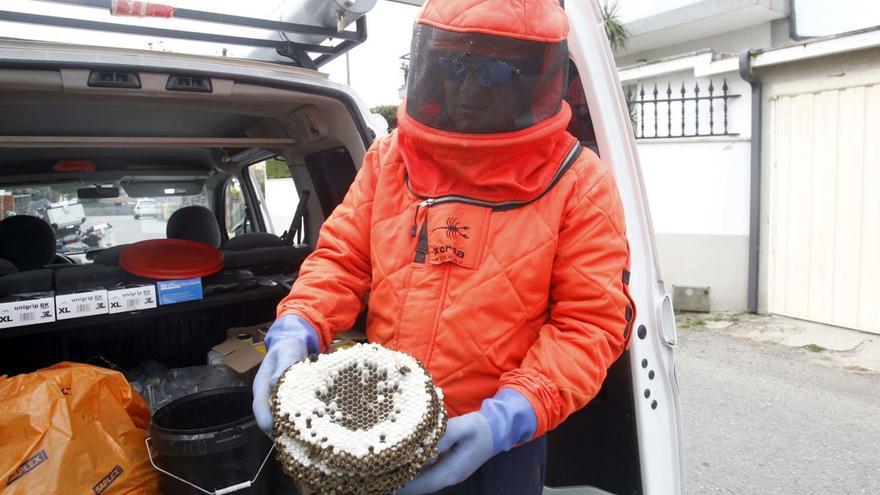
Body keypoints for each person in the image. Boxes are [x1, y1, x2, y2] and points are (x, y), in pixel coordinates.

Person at [252, 0, 636, 493]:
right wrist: (298, 324)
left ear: (531, 77)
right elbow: (341, 260)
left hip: (498, 447)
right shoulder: (390, 158)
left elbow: (590, 322)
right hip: (378, 424)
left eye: (496, 70)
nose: (470, 86)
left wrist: (510, 416)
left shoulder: (580, 183)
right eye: (456, 64)